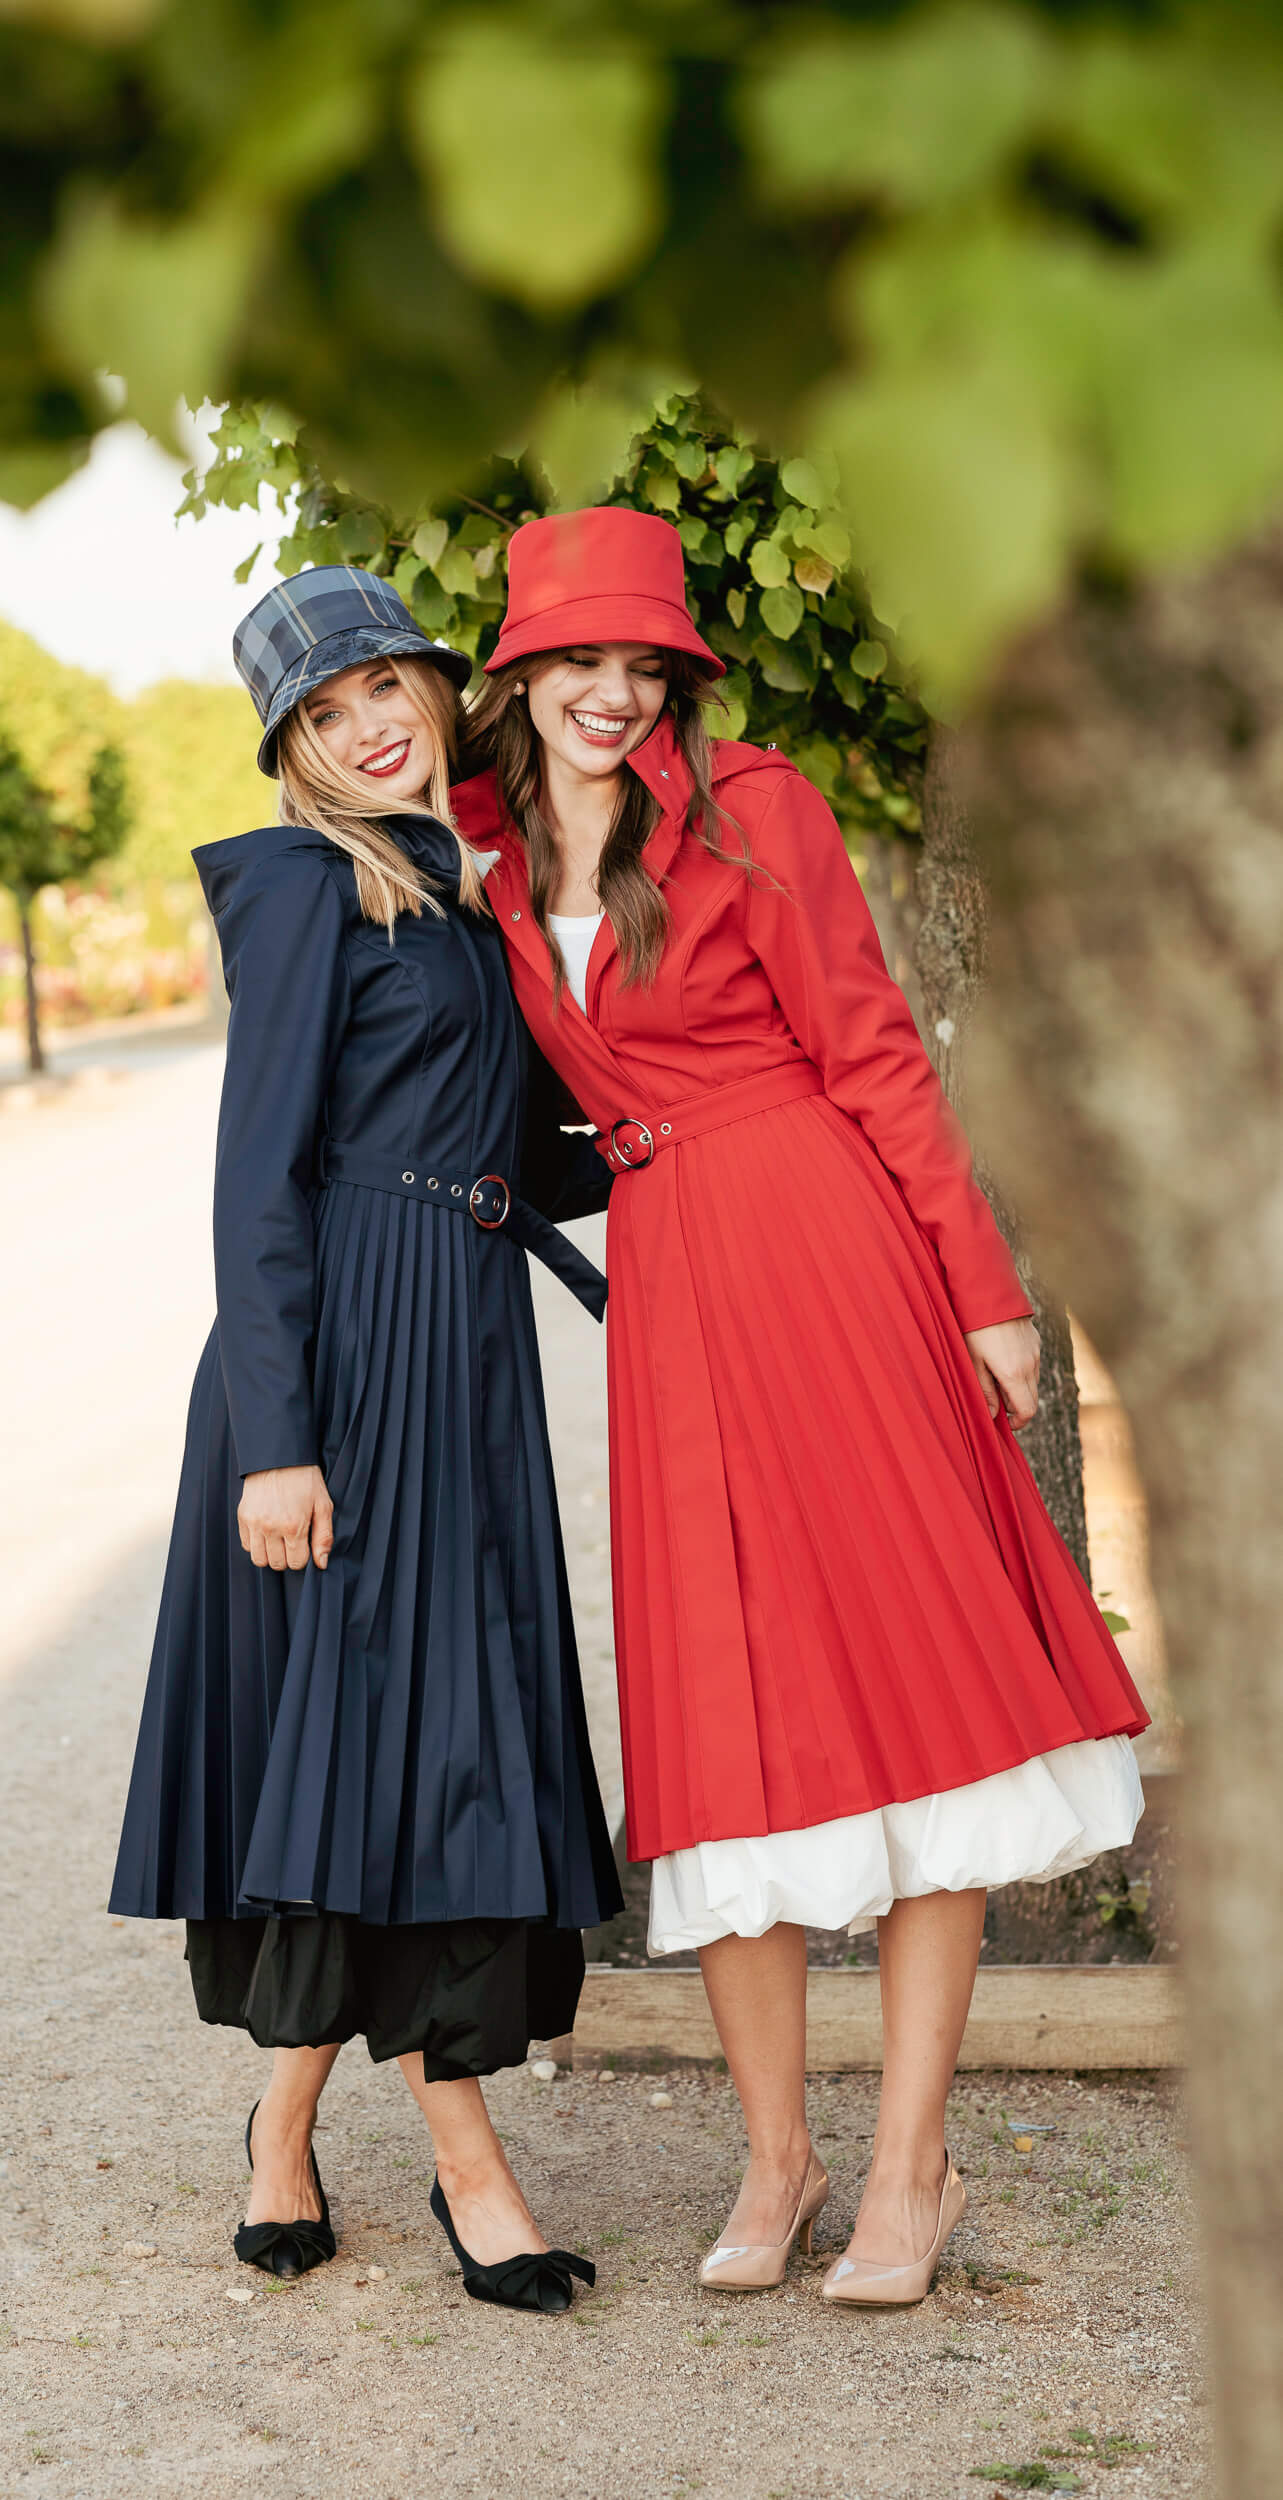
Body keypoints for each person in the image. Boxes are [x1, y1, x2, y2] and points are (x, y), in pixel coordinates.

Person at [456, 507, 1148, 2308]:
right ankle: (779, 2163)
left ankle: (912, 2169)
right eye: (578, 660)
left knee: (927, 1697)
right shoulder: (482, 844)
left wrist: (986, 1291)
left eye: (644, 663)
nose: (613, 693)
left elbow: (876, 1055)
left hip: (825, 1244)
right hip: (675, 1282)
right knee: (721, 1725)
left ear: (678, 670)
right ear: (518, 672)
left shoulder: (757, 807)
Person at [109, 565, 618, 2315]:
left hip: (462, 1346)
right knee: (372, 1748)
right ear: (293, 755)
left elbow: (523, 1141)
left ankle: (282, 2123)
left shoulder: (467, 892)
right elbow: (260, 1177)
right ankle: (473, 2168)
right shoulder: (310, 890)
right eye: (323, 717)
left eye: (379, 689)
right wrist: (277, 1439)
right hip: (340, 1363)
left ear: (426, 683)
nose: (366, 726)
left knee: (420, 1748)